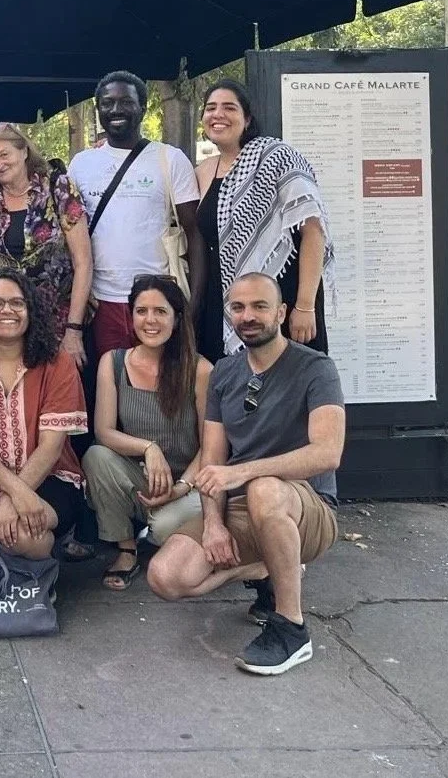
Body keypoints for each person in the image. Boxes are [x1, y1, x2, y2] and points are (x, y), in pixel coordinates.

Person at [147, 274, 343, 676]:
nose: (248, 316)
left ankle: (291, 629)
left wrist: (247, 473)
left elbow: (328, 452)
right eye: (238, 308)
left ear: (282, 313)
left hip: (307, 508)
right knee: (165, 577)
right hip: (241, 507)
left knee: (264, 491)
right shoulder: (224, 372)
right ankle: (264, 567)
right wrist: (214, 524)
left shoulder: (315, 368)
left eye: (259, 306)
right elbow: (214, 459)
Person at [0, 271, 89, 576]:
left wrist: (12, 499)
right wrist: (14, 493)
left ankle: (37, 577)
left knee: (21, 536)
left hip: (49, 479)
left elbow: (52, 446)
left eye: (17, 303)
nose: (6, 310)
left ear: (31, 311)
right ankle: (12, 572)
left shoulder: (57, 362)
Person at [83, 275, 212, 590]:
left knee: (166, 528)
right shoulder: (112, 363)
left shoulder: (200, 370)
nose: (150, 320)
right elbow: (104, 431)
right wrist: (149, 448)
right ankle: (126, 549)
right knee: (96, 457)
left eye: (160, 311)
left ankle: (165, 535)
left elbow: (211, 447)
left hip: (188, 484)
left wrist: (180, 488)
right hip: (142, 477)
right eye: (141, 311)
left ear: (177, 318)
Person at [195, 78, 336, 362]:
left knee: (291, 389)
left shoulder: (276, 157)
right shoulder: (203, 171)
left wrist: (305, 305)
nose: (218, 114)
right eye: (210, 108)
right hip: (223, 301)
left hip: (282, 299)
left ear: (247, 118)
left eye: (229, 108)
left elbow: (314, 230)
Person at [67, 71, 204, 357]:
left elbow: (195, 234)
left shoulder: (169, 159)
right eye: (107, 103)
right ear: (99, 109)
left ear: (142, 107)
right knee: (109, 386)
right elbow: (69, 236)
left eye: (126, 102)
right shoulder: (81, 164)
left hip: (157, 300)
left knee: (160, 389)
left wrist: (191, 310)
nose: (116, 110)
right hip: (100, 303)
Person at [0, 123, 92, 370]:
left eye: (4, 154)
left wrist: (74, 330)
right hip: (10, 328)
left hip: (59, 324)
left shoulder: (58, 188)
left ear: (24, 151)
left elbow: (83, 262)